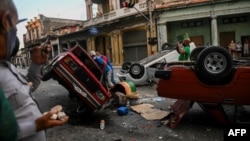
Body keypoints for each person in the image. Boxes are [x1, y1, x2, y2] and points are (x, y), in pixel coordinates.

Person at [0, 0, 69, 141]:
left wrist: (36, 64)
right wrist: (36, 125)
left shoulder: (6, 66)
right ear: (4, 21)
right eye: (15, 27)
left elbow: (27, 88)